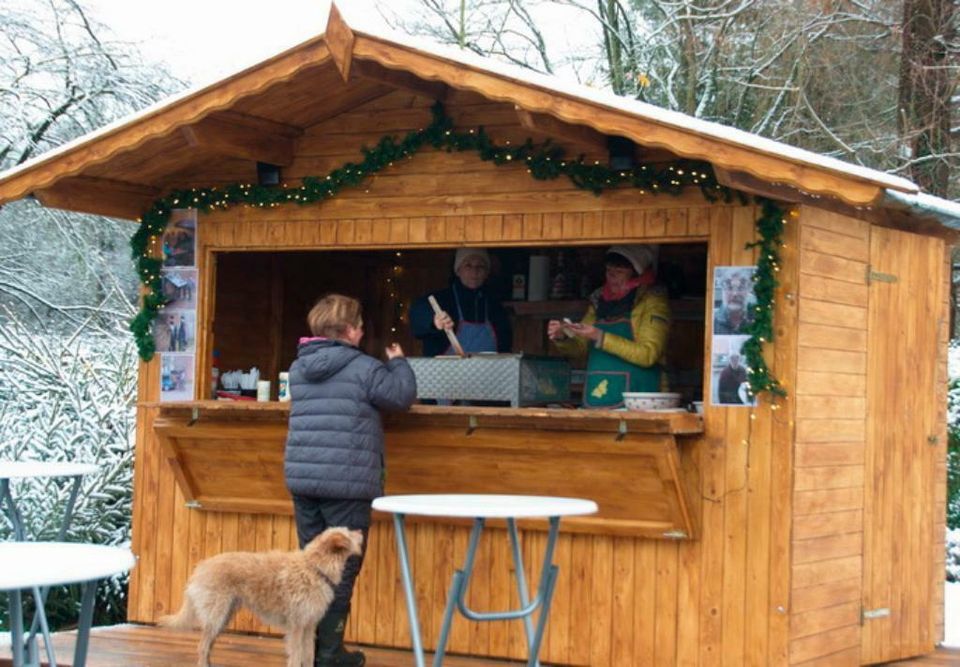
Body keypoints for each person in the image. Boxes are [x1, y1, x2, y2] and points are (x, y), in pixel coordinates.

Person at [284, 294, 417, 666]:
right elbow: (402, 396)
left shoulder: (298, 368)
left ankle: (307, 654)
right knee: (340, 572)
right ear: (348, 330)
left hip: (305, 481)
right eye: (359, 325)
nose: (362, 331)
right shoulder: (364, 368)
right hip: (346, 486)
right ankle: (329, 655)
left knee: (312, 570)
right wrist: (400, 363)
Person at [547, 245, 670, 408]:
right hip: (597, 395)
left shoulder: (652, 301)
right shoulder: (599, 301)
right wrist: (563, 337)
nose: (611, 276)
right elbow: (580, 350)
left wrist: (600, 337)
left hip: (639, 402)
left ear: (636, 274)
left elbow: (648, 355)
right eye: (608, 270)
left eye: (619, 272)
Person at [410, 247, 512, 355]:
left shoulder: (496, 307)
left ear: (487, 273)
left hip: (487, 371)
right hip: (445, 371)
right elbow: (417, 318)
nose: (475, 271)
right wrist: (433, 322)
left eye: (480, 266)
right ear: (458, 270)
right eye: (468, 265)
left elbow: (505, 348)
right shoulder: (441, 300)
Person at [714, 268, 755, 334]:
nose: (735, 294)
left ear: (749, 289)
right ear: (722, 289)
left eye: (741, 287)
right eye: (729, 287)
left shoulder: (757, 320)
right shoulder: (713, 321)